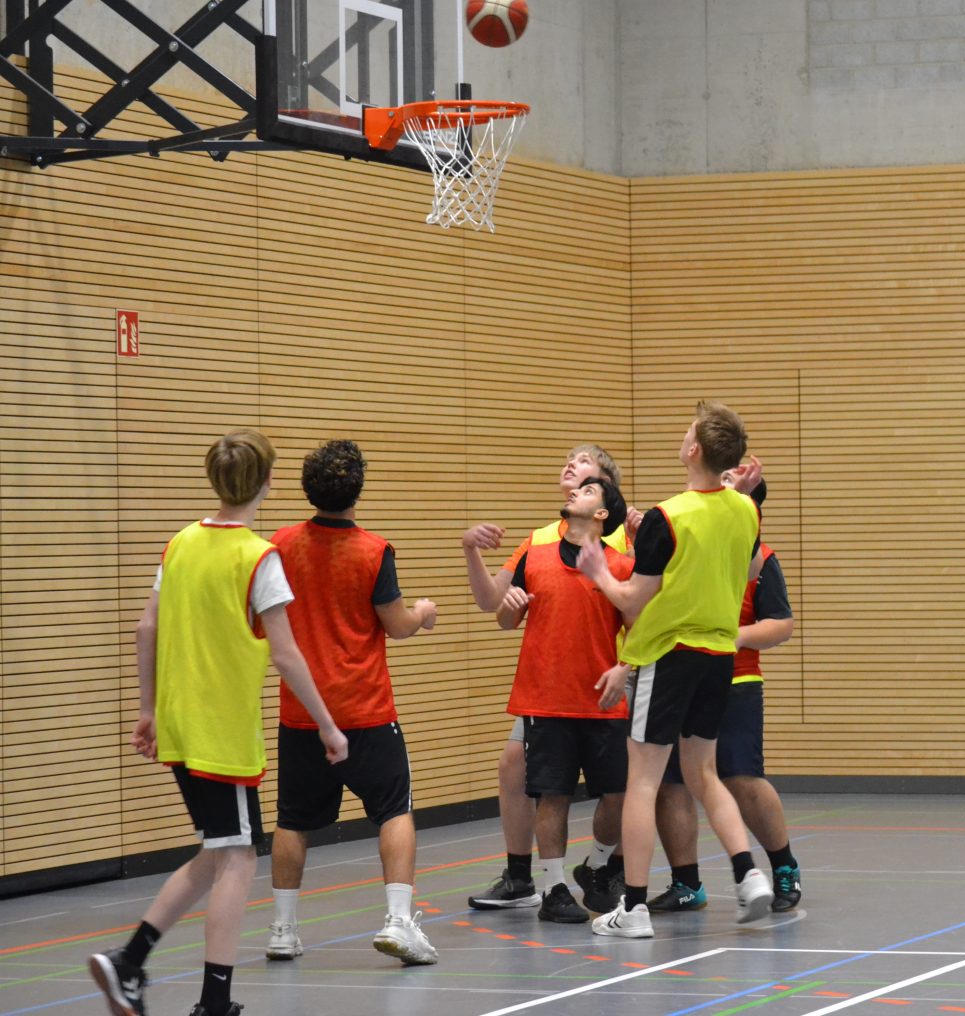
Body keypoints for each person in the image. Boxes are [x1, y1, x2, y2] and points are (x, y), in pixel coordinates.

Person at [89, 429, 348, 1016]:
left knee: (219, 848)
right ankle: (213, 1003)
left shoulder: (180, 544)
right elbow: (286, 654)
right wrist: (328, 726)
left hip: (180, 722)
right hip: (220, 730)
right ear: (267, 481)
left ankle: (129, 961)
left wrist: (148, 709)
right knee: (238, 857)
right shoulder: (258, 557)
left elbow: (146, 627)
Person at [578, 401, 773, 939]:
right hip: (719, 657)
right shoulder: (745, 510)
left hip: (668, 655)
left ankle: (634, 908)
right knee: (703, 774)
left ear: (693, 450)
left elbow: (630, 598)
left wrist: (598, 571)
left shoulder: (668, 517)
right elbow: (751, 568)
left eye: (687, 431)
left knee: (642, 782)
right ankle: (748, 874)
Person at [265, 439, 439, 966]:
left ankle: (282, 930)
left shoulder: (280, 545)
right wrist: (423, 613)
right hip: (365, 710)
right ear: (358, 488)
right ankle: (398, 921)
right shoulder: (374, 551)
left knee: (292, 819)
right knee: (394, 810)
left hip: (302, 712)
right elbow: (397, 625)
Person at [462, 445, 630, 912]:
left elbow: (641, 616)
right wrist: (472, 552)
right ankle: (532, 880)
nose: (571, 465)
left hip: (611, 682)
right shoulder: (537, 544)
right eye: (570, 459)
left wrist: (627, 667)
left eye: (585, 463)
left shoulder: (623, 541)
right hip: (550, 689)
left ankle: (606, 868)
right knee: (530, 777)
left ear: (604, 492)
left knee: (623, 788)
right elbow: (498, 609)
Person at [649, 474, 801, 916]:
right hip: (677, 675)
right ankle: (686, 882)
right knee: (669, 782)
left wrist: (733, 637)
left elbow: (781, 625)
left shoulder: (761, 558)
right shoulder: (685, 543)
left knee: (740, 776)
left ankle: (784, 866)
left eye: (733, 482)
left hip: (735, 680)